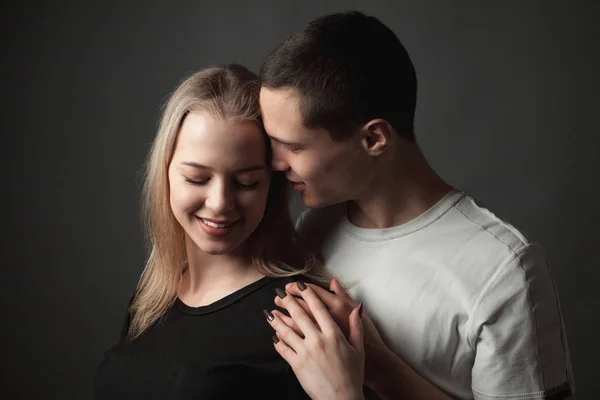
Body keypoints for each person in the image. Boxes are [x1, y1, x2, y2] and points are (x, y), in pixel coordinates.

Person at [259, 11, 574, 400]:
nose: (274, 163)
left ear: (374, 138)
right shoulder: (311, 231)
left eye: (293, 146)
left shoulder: (504, 270)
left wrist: (380, 369)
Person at [94, 64, 358, 399]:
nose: (220, 203)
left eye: (246, 182)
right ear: (166, 175)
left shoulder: (298, 313)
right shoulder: (151, 300)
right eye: (197, 178)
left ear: (271, 187)